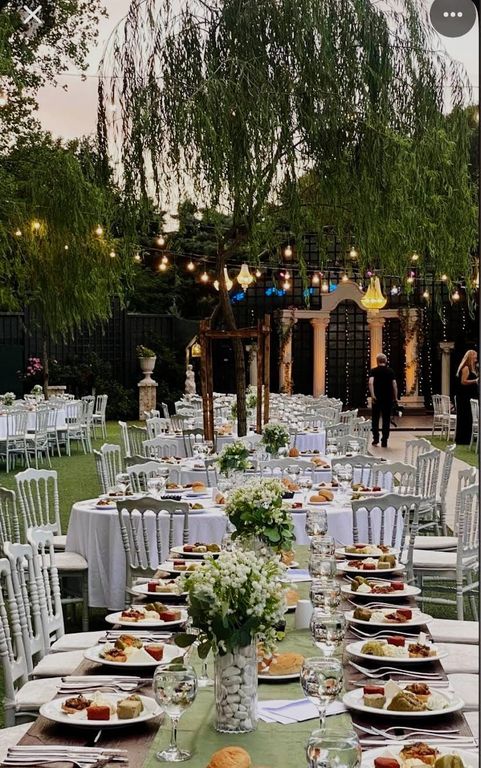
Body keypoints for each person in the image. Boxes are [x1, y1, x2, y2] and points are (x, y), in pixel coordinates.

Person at [368, 353, 398, 448]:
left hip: (377, 398)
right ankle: (384, 440)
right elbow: (394, 384)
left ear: (377, 361)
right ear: (386, 361)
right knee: (386, 419)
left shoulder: (373, 371)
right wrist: (395, 397)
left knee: (375, 419)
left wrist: (373, 395)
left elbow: (370, 383)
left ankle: (375, 438)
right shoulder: (390, 371)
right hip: (388, 398)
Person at [454, 349, 479, 445]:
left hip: (468, 396)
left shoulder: (472, 368)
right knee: (465, 417)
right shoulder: (466, 368)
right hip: (464, 397)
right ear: (470, 357)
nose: (476, 358)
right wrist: (475, 381)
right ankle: (463, 439)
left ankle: (468, 437)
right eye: (475, 356)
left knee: (468, 417)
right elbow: (463, 381)